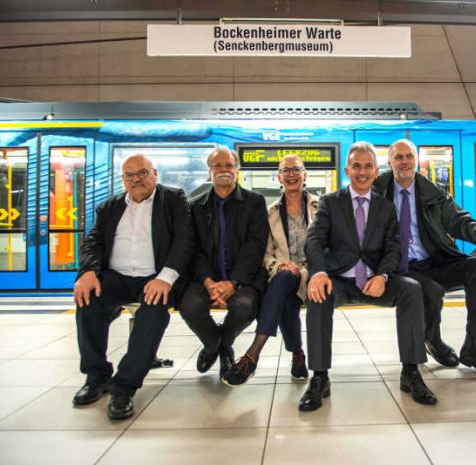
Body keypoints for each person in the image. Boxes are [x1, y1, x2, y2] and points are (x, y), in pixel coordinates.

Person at [301, 141, 436, 412]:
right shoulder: (330, 202)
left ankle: (410, 372)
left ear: (376, 171)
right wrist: (317, 273)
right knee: (317, 296)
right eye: (356, 166)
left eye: (368, 166)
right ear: (346, 170)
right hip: (339, 279)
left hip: (375, 279)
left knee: (411, 289)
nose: (362, 172)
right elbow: (314, 239)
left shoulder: (386, 207)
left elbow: (393, 247)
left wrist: (384, 275)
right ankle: (319, 377)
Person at [374, 139, 476, 378]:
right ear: (389, 162)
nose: (404, 162)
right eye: (398, 157)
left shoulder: (433, 192)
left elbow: (460, 222)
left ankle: (474, 346)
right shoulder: (378, 190)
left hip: (436, 260)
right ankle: (433, 339)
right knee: (431, 291)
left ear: (417, 160)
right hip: (401, 266)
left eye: (409, 157)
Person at [72, 154, 192, 420]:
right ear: (122, 179)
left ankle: (124, 388)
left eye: (142, 173)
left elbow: (184, 240)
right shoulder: (109, 207)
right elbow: (93, 241)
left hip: (155, 276)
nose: (136, 179)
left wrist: (166, 277)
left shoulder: (173, 200)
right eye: (129, 175)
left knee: (153, 312)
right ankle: (97, 375)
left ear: (155, 173)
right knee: (88, 301)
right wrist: (88, 272)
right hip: (116, 276)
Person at [223, 155, 318, 386]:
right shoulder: (270, 212)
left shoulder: (321, 207)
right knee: (285, 292)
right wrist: (278, 266)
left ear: (305, 175)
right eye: (286, 171)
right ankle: (297, 355)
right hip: (282, 274)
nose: (291, 175)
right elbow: (264, 253)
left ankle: (252, 355)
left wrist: (306, 269)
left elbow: (328, 245)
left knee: (284, 293)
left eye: (296, 169)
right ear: (279, 177)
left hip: (313, 274)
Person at [179, 147, 269, 379]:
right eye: (217, 166)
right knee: (189, 306)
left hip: (243, 278)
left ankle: (222, 343)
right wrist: (209, 282)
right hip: (204, 278)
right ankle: (216, 346)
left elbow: (255, 246)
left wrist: (233, 282)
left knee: (245, 306)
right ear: (209, 171)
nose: (223, 170)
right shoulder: (194, 205)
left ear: (237, 169)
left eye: (228, 165)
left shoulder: (255, 202)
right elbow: (193, 248)